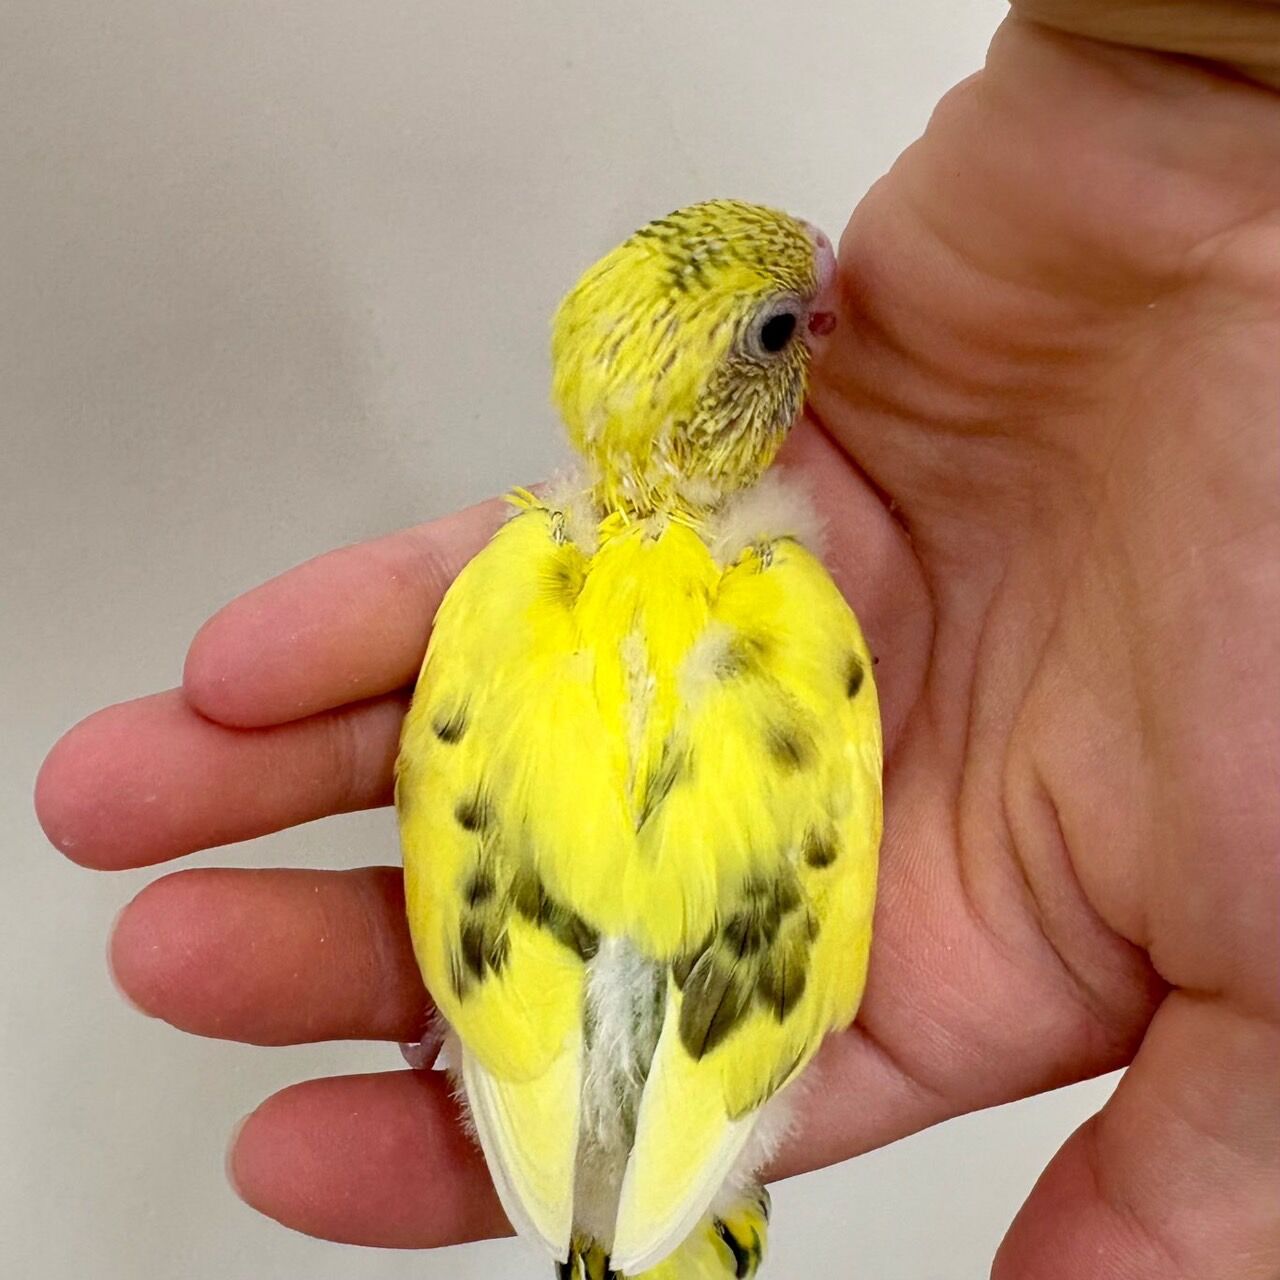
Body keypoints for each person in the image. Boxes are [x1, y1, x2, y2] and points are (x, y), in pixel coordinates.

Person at [34, 3, 1280, 1275]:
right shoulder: (793, 614)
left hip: (621, 1098)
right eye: (780, 332)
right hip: (645, 1099)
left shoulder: (502, 591)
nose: (823, 294)